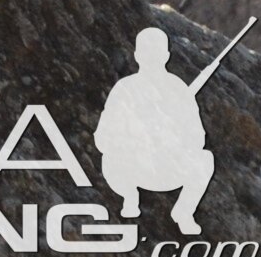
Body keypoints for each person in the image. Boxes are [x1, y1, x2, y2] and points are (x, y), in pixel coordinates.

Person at [92, 25, 216, 234]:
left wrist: (174, 136)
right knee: (110, 159)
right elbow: (102, 138)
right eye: (147, 51)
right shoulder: (125, 89)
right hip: (131, 167)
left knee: (205, 160)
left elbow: (197, 138)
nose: (152, 57)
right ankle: (130, 198)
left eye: (156, 51)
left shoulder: (178, 90)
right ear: (137, 55)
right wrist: (135, 139)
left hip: (166, 167)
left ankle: (184, 212)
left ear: (166, 55)